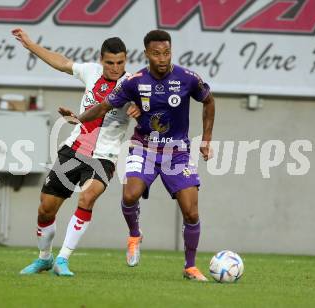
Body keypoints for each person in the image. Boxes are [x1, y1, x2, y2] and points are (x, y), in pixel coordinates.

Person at [64, 29, 216, 281]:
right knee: (130, 194)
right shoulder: (134, 82)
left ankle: (190, 266)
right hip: (143, 148)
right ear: (146, 54)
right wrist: (78, 119)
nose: (163, 58)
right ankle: (135, 234)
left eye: (166, 52)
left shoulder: (188, 78)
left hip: (176, 153)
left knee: (191, 212)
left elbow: (209, 101)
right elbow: (103, 106)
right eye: (156, 54)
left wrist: (207, 138)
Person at [11, 28, 140, 276]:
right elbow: (62, 62)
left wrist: (138, 110)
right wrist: (31, 45)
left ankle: (63, 259)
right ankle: (44, 258)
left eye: (121, 62)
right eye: (110, 62)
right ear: (101, 60)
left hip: (104, 156)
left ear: (126, 60)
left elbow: (146, 108)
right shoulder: (91, 71)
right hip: (74, 149)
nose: (115, 67)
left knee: (87, 197)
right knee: (46, 208)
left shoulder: (132, 84)